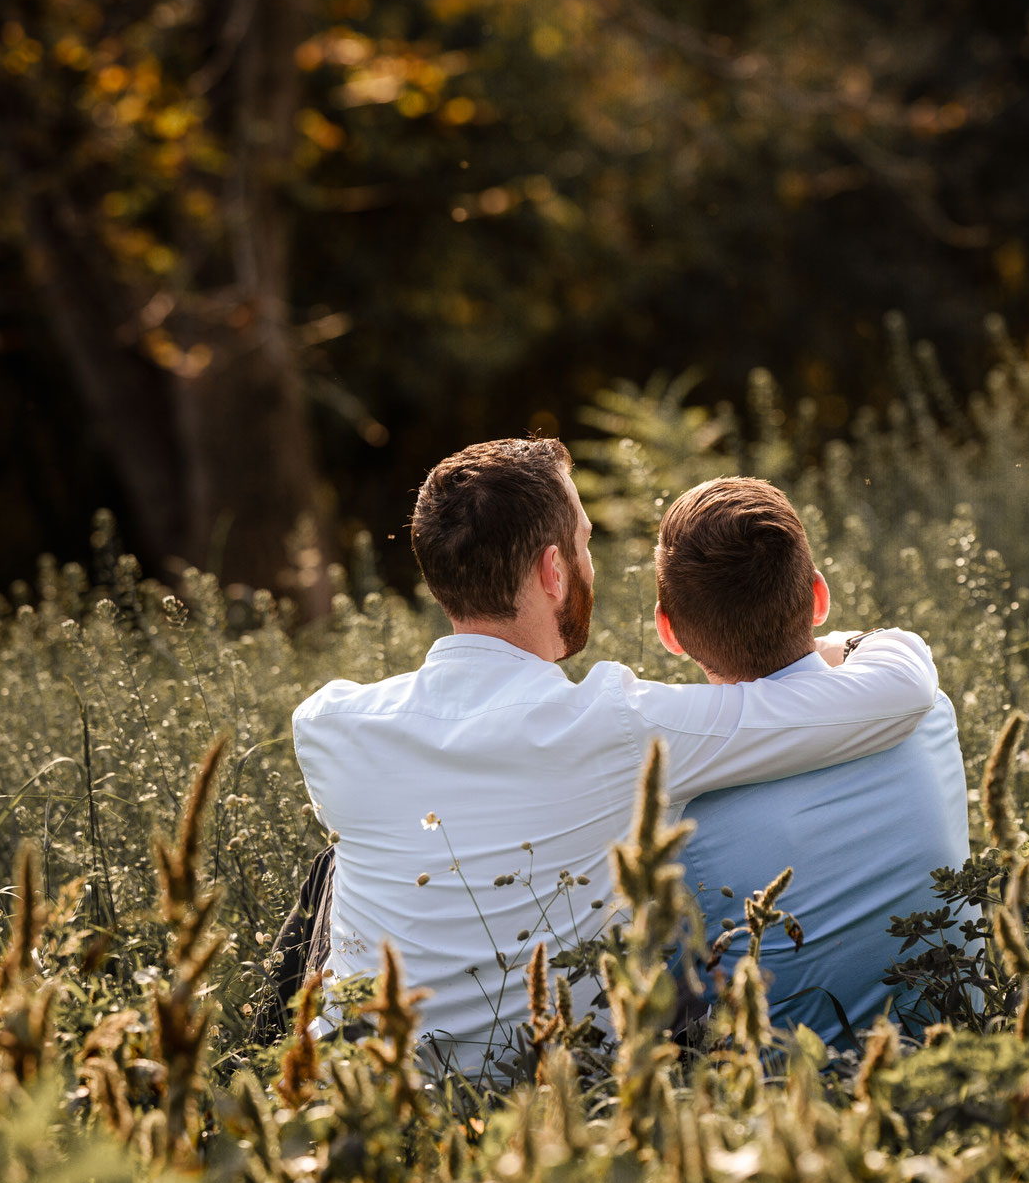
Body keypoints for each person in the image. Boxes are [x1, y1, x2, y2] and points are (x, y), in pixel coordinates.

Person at [288, 437, 940, 1077]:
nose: (589, 564)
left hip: (369, 1088)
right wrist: (848, 644)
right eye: (585, 541)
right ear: (553, 572)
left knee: (332, 867)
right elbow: (900, 691)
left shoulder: (327, 723)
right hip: (555, 1086)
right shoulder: (618, 724)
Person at [655, 476, 971, 1045]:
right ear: (819, 598)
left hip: (795, 1113)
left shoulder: (678, 813)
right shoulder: (929, 713)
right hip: (968, 1053)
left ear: (669, 632)